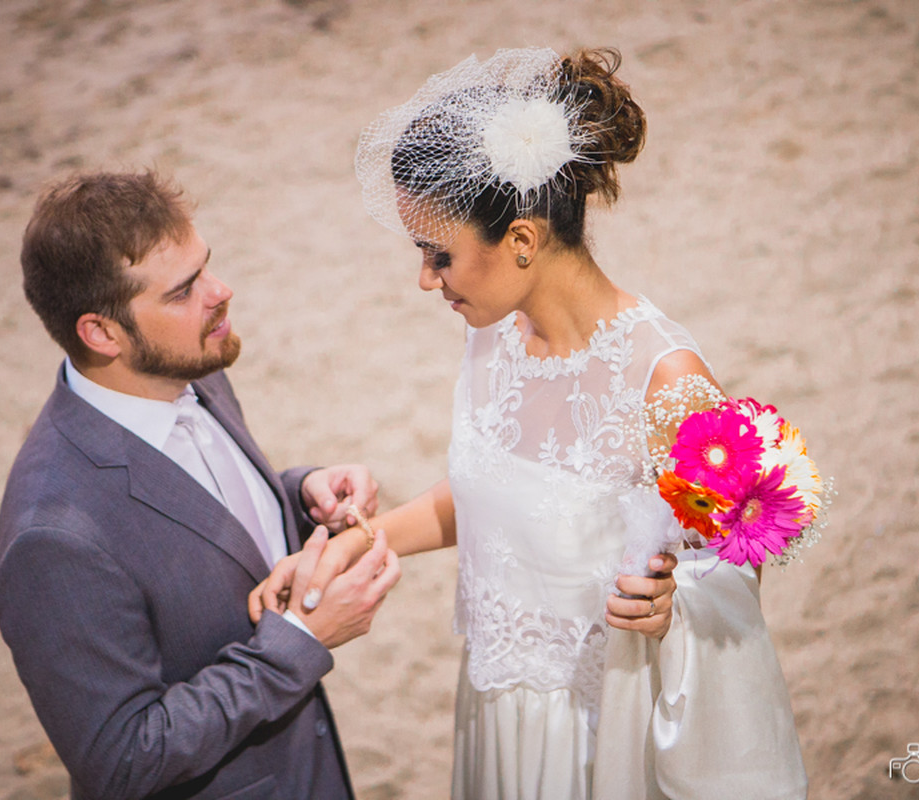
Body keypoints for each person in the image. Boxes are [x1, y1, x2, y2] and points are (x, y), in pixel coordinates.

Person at [257, 47, 807, 799]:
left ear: (521, 241)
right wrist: (350, 546)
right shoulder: (494, 331)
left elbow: (740, 565)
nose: (425, 279)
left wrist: (671, 604)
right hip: (498, 705)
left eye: (438, 254)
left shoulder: (667, 380)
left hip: (599, 721)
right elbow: (494, 497)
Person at [0, 170, 401, 800]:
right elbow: (124, 758)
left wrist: (300, 496)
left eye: (206, 267)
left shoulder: (192, 369)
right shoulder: (51, 538)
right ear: (101, 332)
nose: (221, 292)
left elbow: (202, 519)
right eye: (183, 291)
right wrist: (297, 642)